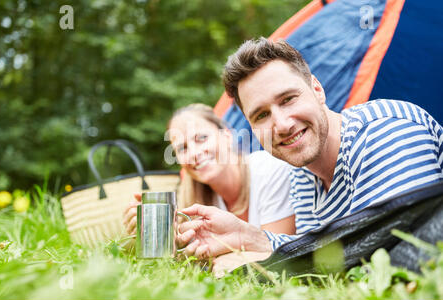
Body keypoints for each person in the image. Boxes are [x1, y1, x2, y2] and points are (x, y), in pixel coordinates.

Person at [177, 37, 443, 274]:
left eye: (288, 99)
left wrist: (258, 266)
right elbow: (322, 250)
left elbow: (409, 250)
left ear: (317, 89)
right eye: (262, 115)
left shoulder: (384, 130)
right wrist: (250, 237)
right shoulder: (302, 173)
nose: (281, 125)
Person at [122, 103, 296, 237]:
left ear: (226, 136)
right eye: (182, 148)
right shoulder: (196, 199)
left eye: (202, 138)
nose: (194, 154)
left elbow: (277, 255)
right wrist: (151, 233)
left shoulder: (269, 169)